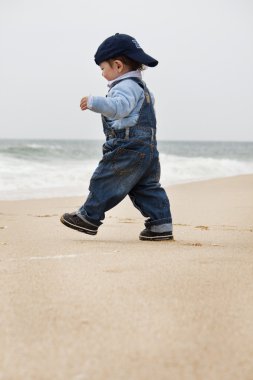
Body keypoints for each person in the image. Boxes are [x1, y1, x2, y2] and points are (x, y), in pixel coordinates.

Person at [60, 33, 173, 241]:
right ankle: (160, 224)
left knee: (105, 179)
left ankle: (89, 217)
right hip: (147, 149)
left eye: (103, 68)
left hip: (128, 146)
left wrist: (95, 102)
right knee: (146, 187)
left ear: (118, 66)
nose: (102, 74)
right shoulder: (142, 88)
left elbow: (119, 108)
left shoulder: (125, 87)